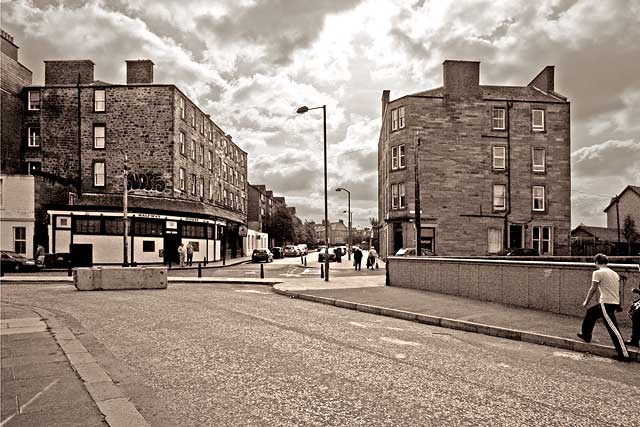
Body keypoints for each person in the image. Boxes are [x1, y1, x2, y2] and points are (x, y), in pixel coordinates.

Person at [577, 254, 629, 361]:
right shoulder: (614, 273)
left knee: (613, 328)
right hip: (613, 302)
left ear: (596, 262)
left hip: (606, 303)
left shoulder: (597, 272)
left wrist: (586, 301)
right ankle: (586, 336)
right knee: (591, 313)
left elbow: (593, 289)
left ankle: (624, 355)